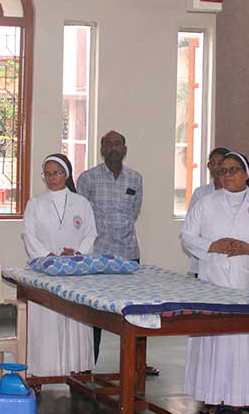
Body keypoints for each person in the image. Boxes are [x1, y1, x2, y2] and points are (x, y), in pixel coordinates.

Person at [181, 152, 249, 412]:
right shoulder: (206, 204)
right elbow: (188, 236)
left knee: (243, 340)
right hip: (213, 280)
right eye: (223, 170)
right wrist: (211, 245)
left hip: (247, 284)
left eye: (234, 169)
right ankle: (210, 396)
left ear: (246, 173)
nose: (227, 174)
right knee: (213, 338)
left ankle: (244, 398)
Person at [77, 130, 158, 374]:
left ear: (125, 149)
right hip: (97, 253)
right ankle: (86, 366)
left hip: (128, 252)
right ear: (102, 149)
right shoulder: (88, 178)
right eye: (108, 144)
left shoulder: (135, 178)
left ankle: (137, 364)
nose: (113, 148)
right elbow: (81, 215)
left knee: (136, 310)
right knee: (93, 313)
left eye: (118, 144)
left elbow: (134, 211)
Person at [22, 154, 97, 380]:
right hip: (45, 272)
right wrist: (48, 256)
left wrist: (78, 253)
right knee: (45, 323)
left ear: (66, 174)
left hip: (75, 272)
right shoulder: (35, 204)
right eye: (47, 174)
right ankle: (41, 373)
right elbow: (29, 235)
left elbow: (90, 233)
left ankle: (77, 371)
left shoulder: (81, 203)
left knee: (75, 321)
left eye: (56, 173)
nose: (51, 178)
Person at [185, 147, 231, 276]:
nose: (216, 167)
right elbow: (191, 224)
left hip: (229, 256)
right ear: (208, 166)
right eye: (212, 163)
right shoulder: (200, 193)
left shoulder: (235, 194)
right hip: (203, 254)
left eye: (220, 163)